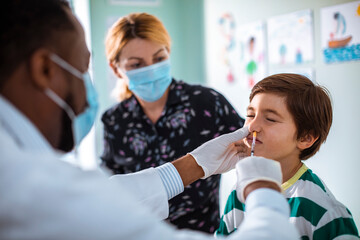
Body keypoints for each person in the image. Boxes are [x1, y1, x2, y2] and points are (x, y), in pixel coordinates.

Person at [0, 0, 300, 239]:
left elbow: (111, 195)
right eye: (82, 69)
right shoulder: (24, 184)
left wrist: (195, 165)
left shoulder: (206, 102)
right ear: (44, 70)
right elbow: (103, 198)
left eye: (159, 58)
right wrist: (263, 189)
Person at [101, 12, 245, 233]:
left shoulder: (207, 103)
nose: (150, 69)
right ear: (115, 68)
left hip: (202, 231)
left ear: (169, 53)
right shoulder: (114, 120)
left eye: (159, 59)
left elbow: (255, 145)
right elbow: (112, 184)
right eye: (136, 64)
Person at [215, 74, 359, 239]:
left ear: (305, 138)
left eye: (270, 119)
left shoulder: (324, 211)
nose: (252, 126)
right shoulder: (241, 192)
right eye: (250, 115)